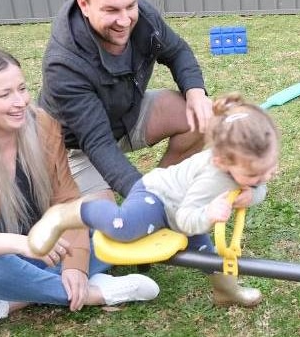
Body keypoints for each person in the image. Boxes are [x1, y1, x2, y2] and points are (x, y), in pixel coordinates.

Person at [0, 49, 159, 335]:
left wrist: (75, 267)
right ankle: (96, 293)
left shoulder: (43, 124)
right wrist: (19, 244)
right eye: (5, 94)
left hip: (47, 246)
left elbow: (68, 202)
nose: (20, 102)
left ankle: (11, 301)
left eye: (22, 89)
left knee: (114, 228)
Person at [29, 93, 280, 307]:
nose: (265, 176)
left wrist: (252, 192)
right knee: (122, 227)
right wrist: (208, 215)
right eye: (255, 174)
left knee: (209, 255)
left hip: (182, 209)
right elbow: (184, 218)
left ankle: (226, 291)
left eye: (269, 168)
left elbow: (258, 189)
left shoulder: (245, 165)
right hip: (157, 198)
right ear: (220, 162)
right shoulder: (211, 180)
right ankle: (68, 214)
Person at [38, 0, 213, 203]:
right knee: (107, 223)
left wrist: (195, 92)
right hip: (75, 147)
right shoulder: (64, 65)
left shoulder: (143, 16)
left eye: (130, 5)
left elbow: (177, 52)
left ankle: (164, 191)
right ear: (83, 5)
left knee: (201, 116)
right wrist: (142, 196)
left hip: (126, 115)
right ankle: (146, 198)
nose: (124, 20)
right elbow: (98, 144)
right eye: (111, 10)